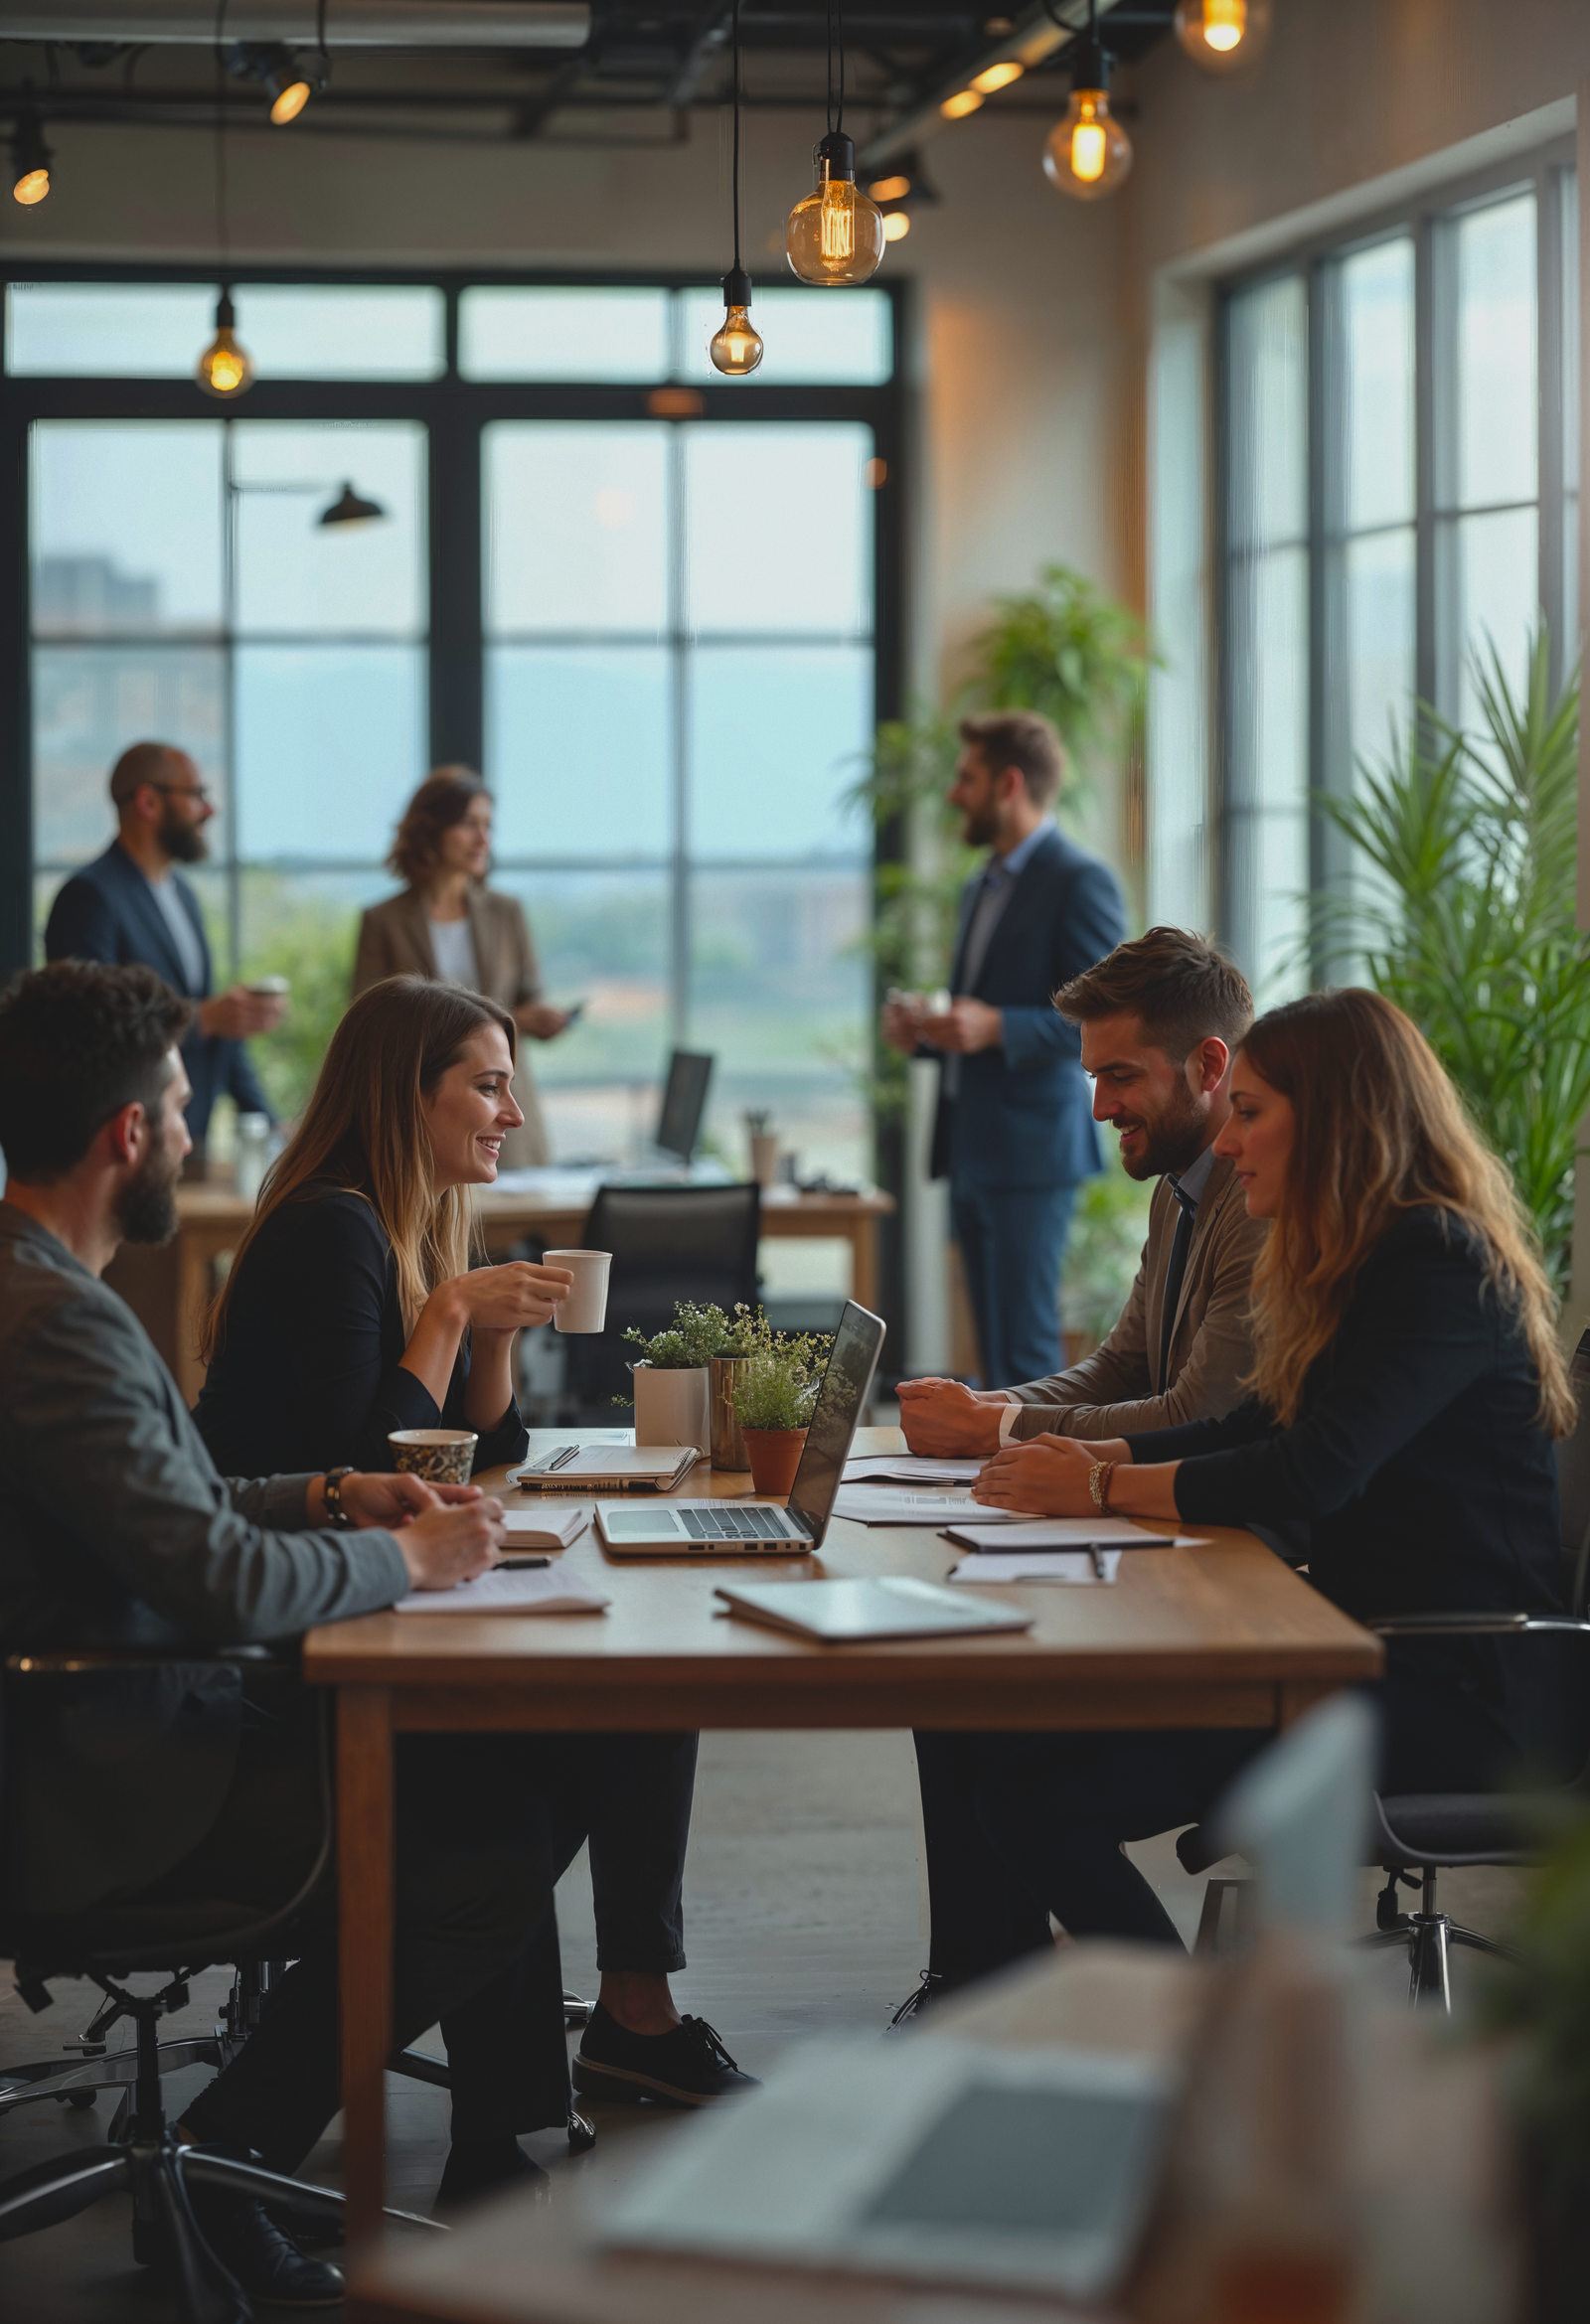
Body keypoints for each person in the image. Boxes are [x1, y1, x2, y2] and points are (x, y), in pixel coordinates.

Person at [0, 960, 553, 2305]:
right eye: (183, 1106)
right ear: (129, 1130)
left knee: (494, 1775)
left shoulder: (43, 1291)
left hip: (106, 1715)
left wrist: (328, 1493)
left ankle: (461, 2140)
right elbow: (214, 1579)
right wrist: (404, 1555)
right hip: (97, 1767)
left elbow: (176, 1499)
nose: (193, 1132)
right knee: (489, 1840)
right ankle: (225, 2162)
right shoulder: (58, 1322)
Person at [908, 988, 1580, 1993]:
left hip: (1465, 1693)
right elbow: (1253, 1427)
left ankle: (1184, 2057)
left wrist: (1098, 1483)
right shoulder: (1360, 1259)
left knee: (1038, 1800)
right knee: (1001, 1745)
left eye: (1252, 1112)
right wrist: (1087, 1471)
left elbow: (1314, 1467)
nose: (1227, 1141)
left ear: (1338, 1121)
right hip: (1353, 1650)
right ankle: (1009, 2014)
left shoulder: (1438, 1264)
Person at [193, 974, 751, 2114]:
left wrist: (490, 1335)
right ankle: (533, 2082)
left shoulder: (399, 1217)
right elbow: (375, 1465)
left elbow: (482, 1446)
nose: (514, 1114)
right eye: (489, 1086)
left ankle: (581, 2057)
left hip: (351, 1594)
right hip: (283, 1638)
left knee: (640, 1692)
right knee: (560, 1764)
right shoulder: (331, 1227)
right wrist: (449, 1310)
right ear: (410, 1094)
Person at [896, 928, 1266, 1456]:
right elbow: (1121, 1368)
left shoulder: (1261, 1206)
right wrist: (986, 1406)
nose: (1099, 1109)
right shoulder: (1176, 1188)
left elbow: (1196, 1416)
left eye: (1122, 1077)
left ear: (1208, 1065)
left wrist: (993, 1427)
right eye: (1095, 1078)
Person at [881, 712, 1125, 1390]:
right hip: (971, 1147)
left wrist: (997, 1028)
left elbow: (1106, 1020)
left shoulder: (1080, 880)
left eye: (966, 778)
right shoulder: (980, 885)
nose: (953, 793)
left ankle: (1041, 1462)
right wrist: (929, 1034)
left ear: (1008, 784)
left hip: (1031, 1154)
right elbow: (983, 1014)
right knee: (992, 1356)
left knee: (1024, 1349)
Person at [43, 741, 285, 1162]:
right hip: (122, 1148)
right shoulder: (88, 896)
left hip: (187, 1143)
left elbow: (220, 1032)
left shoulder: (184, 896)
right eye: (197, 794)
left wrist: (270, 1124)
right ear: (149, 802)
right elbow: (88, 1026)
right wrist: (203, 1018)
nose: (209, 810)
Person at [352, 766, 572, 1169]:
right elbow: (368, 1025)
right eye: (470, 824)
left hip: (503, 1111)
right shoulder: (383, 921)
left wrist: (540, 1020)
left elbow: (529, 997)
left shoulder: (506, 913)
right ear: (431, 830)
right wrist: (515, 1018)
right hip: (422, 1110)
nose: (483, 839)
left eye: (488, 826)